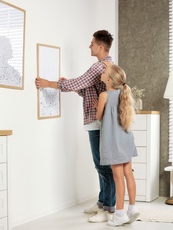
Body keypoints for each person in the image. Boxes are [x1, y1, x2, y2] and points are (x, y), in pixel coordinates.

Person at [35, 30, 116, 223]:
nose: (90, 46)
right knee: (101, 166)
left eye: (92, 43)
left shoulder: (99, 67)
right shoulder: (105, 66)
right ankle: (102, 202)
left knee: (103, 166)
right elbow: (86, 90)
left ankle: (109, 209)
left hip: (98, 121)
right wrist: (71, 85)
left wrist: (49, 83)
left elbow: (79, 82)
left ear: (101, 47)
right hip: (96, 121)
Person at [93, 64, 140, 227]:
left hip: (113, 141)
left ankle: (119, 214)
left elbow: (99, 117)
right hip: (126, 139)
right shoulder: (124, 93)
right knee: (129, 174)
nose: (102, 73)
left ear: (108, 79)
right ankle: (132, 208)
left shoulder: (104, 95)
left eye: (105, 72)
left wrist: (96, 107)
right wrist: (111, 66)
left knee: (118, 178)